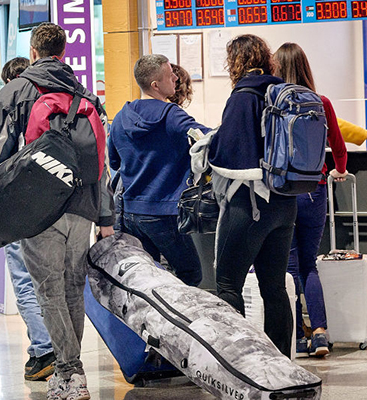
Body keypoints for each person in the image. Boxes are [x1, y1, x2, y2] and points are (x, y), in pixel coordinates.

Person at [0, 22, 114, 400]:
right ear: (63, 52)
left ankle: (70, 371)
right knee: (72, 287)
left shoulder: (16, 91)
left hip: (38, 206)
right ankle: (70, 372)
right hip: (82, 206)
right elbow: (100, 164)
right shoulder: (85, 94)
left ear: (33, 52)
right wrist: (105, 217)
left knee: (47, 289)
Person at [208, 34, 295, 358]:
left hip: (251, 204)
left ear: (235, 61)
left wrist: (208, 147)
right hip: (285, 202)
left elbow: (228, 154)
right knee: (274, 288)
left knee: (228, 284)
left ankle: (239, 363)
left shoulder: (244, 96)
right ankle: (281, 364)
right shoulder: (281, 93)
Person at [273, 42, 348, 358]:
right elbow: (338, 147)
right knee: (309, 265)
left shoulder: (273, 102)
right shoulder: (321, 102)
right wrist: (339, 170)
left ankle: (296, 338)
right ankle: (319, 333)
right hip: (315, 189)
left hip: (284, 191)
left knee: (288, 267)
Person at [108, 54, 208, 287]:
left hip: (130, 213)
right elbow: (206, 138)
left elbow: (114, 162)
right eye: (170, 75)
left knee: (147, 278)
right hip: (163, 212)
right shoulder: (171, 115)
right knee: (191, 273)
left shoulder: (121, 117)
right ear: (155, 85)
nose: (176, 78)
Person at [0, 55, 56, 381]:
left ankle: (44, 348)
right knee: (51, 283)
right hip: (55, 207)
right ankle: (48, 349)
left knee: (24, 280)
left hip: (19, 207)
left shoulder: (12, 111)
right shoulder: (57, 105)